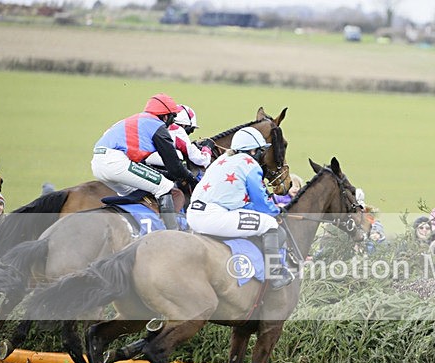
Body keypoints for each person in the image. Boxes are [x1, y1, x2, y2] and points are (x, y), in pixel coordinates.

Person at [186, 126, 293, 290]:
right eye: (260, 151)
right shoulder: (249, 164)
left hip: (193, 215)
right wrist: (276, 211)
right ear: (252, 151)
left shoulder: (221, 161)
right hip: (214, 217)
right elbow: (260, 202)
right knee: (270, 224)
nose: (261, 155)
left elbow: (237, 202)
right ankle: (275, 275)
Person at [91, 93, 196, 230]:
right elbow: (175, 166)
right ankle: (172, 233)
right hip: (116, 162)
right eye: (173, 117)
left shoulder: (138, 120)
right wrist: (192, 179)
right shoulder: (157, 126)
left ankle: (135, 229)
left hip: (98, 163)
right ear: (165, 116)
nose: (172, 122)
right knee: (165, 186)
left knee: (138, 192)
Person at [144, 103, 212, 172]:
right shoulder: (177, 130)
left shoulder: (154, 123)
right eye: (191, 130)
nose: (190, 133)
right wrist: (207, 148)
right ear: (183, 125)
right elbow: (201, 160)